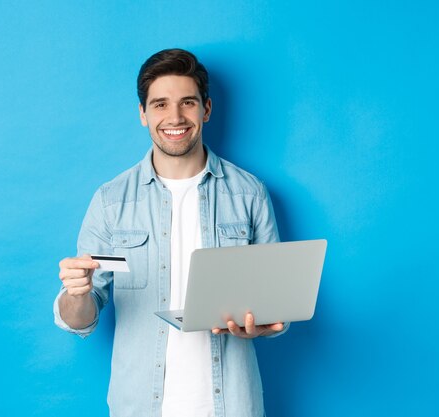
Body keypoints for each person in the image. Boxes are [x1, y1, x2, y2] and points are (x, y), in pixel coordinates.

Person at [54, 48, 289, 417]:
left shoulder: (249, 193)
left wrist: (261, 325)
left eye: (187, 103)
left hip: (232, 405)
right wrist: (75, 292)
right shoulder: (111, 201)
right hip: (140, 406)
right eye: (160, 104)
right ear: (143, 114)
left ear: (206, 110)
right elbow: (80, 319)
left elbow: (277, 307)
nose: (175, 117)